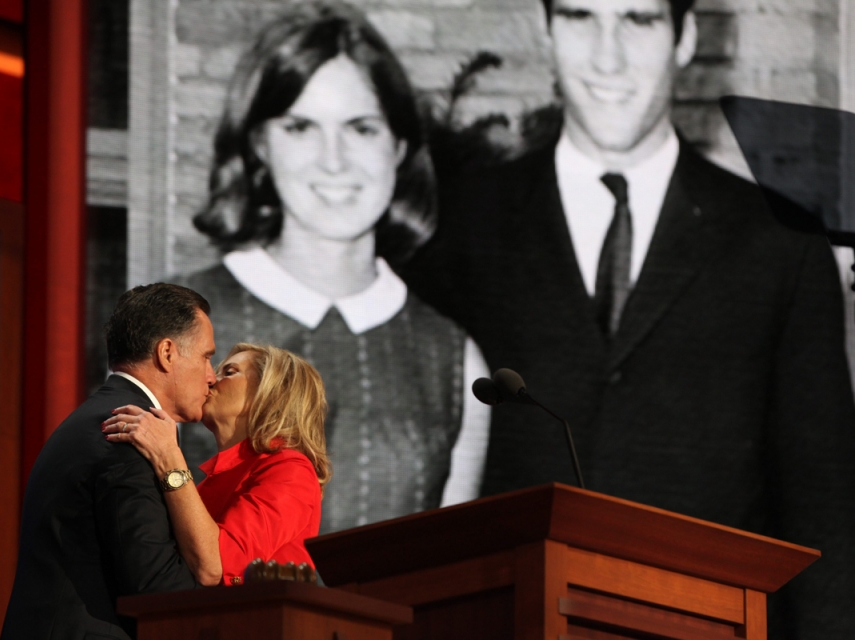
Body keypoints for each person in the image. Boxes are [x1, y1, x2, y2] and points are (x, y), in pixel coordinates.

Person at [402, 0, 855, 637]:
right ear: (545, 29)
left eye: (638, 20)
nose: (607, 55)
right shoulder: (459, 228)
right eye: (582, 17)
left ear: (685, 35)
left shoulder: (781, 243)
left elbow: (825, 508)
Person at [177, 0, 490, 534]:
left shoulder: (455, 361)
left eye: (361, 128)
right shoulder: (174, 326)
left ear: (398, 145)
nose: (334, 159)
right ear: (259, 145)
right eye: (300, 127)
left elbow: (446, 582)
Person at [1, 284, 216, 640]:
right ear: (167, 353)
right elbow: (158, 591)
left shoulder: (96, 418)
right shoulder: (130, 436)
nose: (211, 376)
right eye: (207, 357)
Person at [101, 343, 330, 586]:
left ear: (272, 393)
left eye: (229, 372)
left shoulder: (291, 469)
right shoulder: (218, 476)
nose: (210, 379)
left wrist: (168, 455)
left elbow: (216, 566)